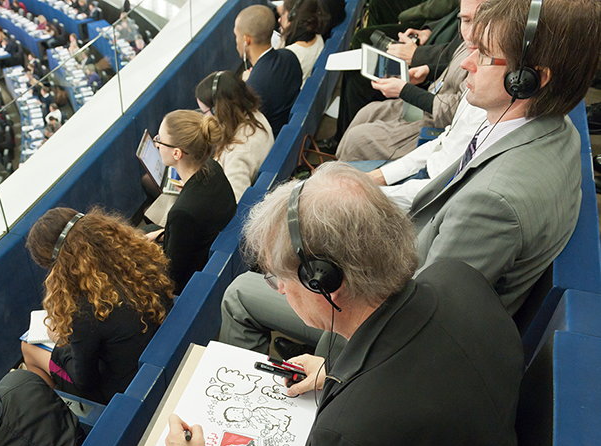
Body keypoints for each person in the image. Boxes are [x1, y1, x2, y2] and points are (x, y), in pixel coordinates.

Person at [165, 164, 523, 446]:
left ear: (324, 283)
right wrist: (335, 372)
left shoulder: (356, 432)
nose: (279, 289)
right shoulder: (457, 278)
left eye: (281, 279)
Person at [218, 0, 601, 358]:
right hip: (407, 263)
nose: (466, 63)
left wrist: (332, 369)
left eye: (484, 55)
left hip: (388, 322)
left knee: (241, 291)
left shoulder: (493, 203)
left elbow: (417, 326)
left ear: (528, 80)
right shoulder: (547, 130)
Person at [21, 207, 173, 404]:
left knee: (28, 347)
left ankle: (63, 419)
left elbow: (85, 381)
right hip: (159, 354)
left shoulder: (84, 311)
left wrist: (59, 343)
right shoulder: (138, 258)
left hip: (126, 391)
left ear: (57, 266)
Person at [336, 0, 478, 162]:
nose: (470, 33)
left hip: (440, 124)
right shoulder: (466, 37)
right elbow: (453, 53)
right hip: (433, 97)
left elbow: (452, 112)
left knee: (357, 141)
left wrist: (404, 89)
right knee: (367, 113)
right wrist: (428, 71)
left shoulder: (485, 58)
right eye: (465, 21)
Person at [147, 110, 236, 293]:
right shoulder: (213, 167)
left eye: (159, 140)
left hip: (189, 282)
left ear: (177, 153)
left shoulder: (182, 212)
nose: (156, 145)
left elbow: (173, 277)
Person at [195, 71, 273, 201]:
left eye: (205, 112)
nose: (205, 118)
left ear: (218, 110)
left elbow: (235, 202)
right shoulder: (255, 116)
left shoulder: (239, 152)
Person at [234, 5, 303, 137]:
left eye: (236, 36)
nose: (236, 41)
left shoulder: (252, 88)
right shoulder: (289, 56)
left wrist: (245, 86)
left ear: (246, 40)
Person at [276, 0, 326, 86]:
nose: (279, 19)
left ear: (291, 17)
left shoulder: (288, 56)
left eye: (283, 14)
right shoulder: (318, 38)